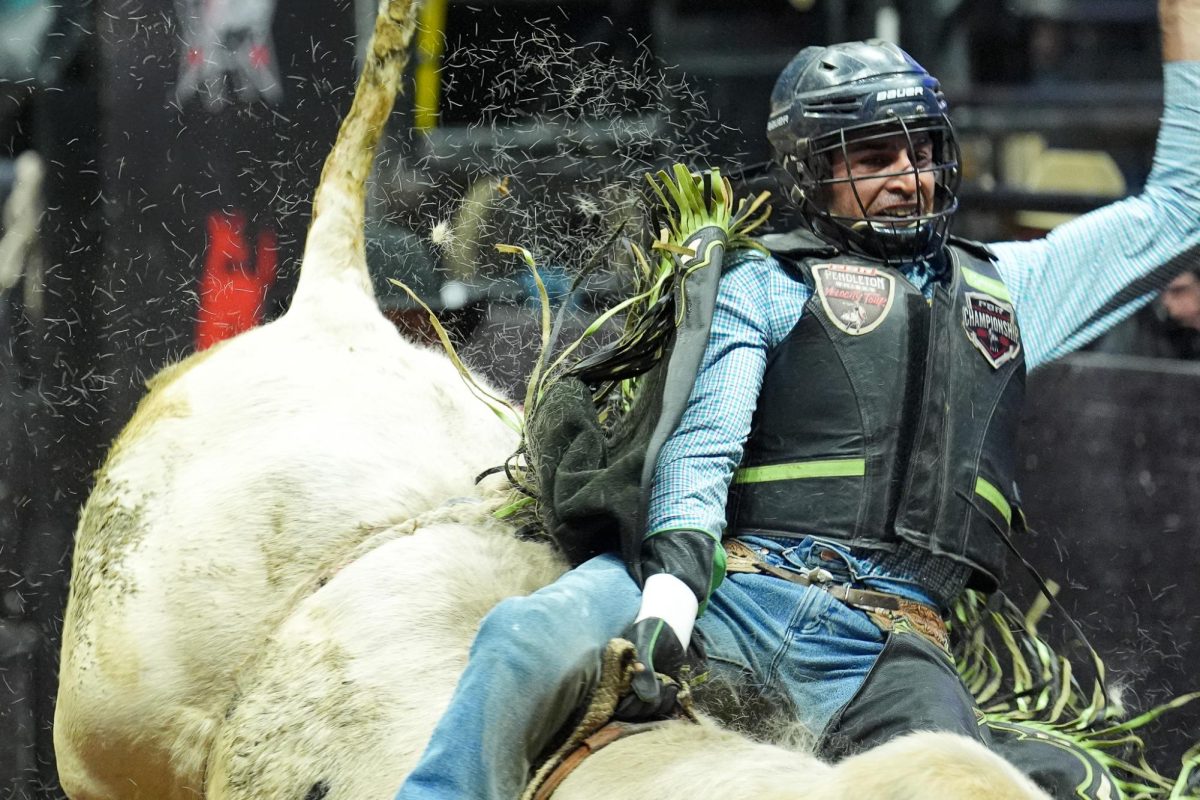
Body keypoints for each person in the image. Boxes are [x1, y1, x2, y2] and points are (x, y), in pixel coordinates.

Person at [396, 2, 1200, 797]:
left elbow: (1184, 206)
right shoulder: (767, 279)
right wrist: (671, 599)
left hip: (889, 644)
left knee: (968, 782)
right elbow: (705, 441)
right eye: (872, 156)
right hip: (728, 589)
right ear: (812, 173)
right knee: (519, 638)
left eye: (920, 150)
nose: (906, 176)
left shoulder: (1011, 291)